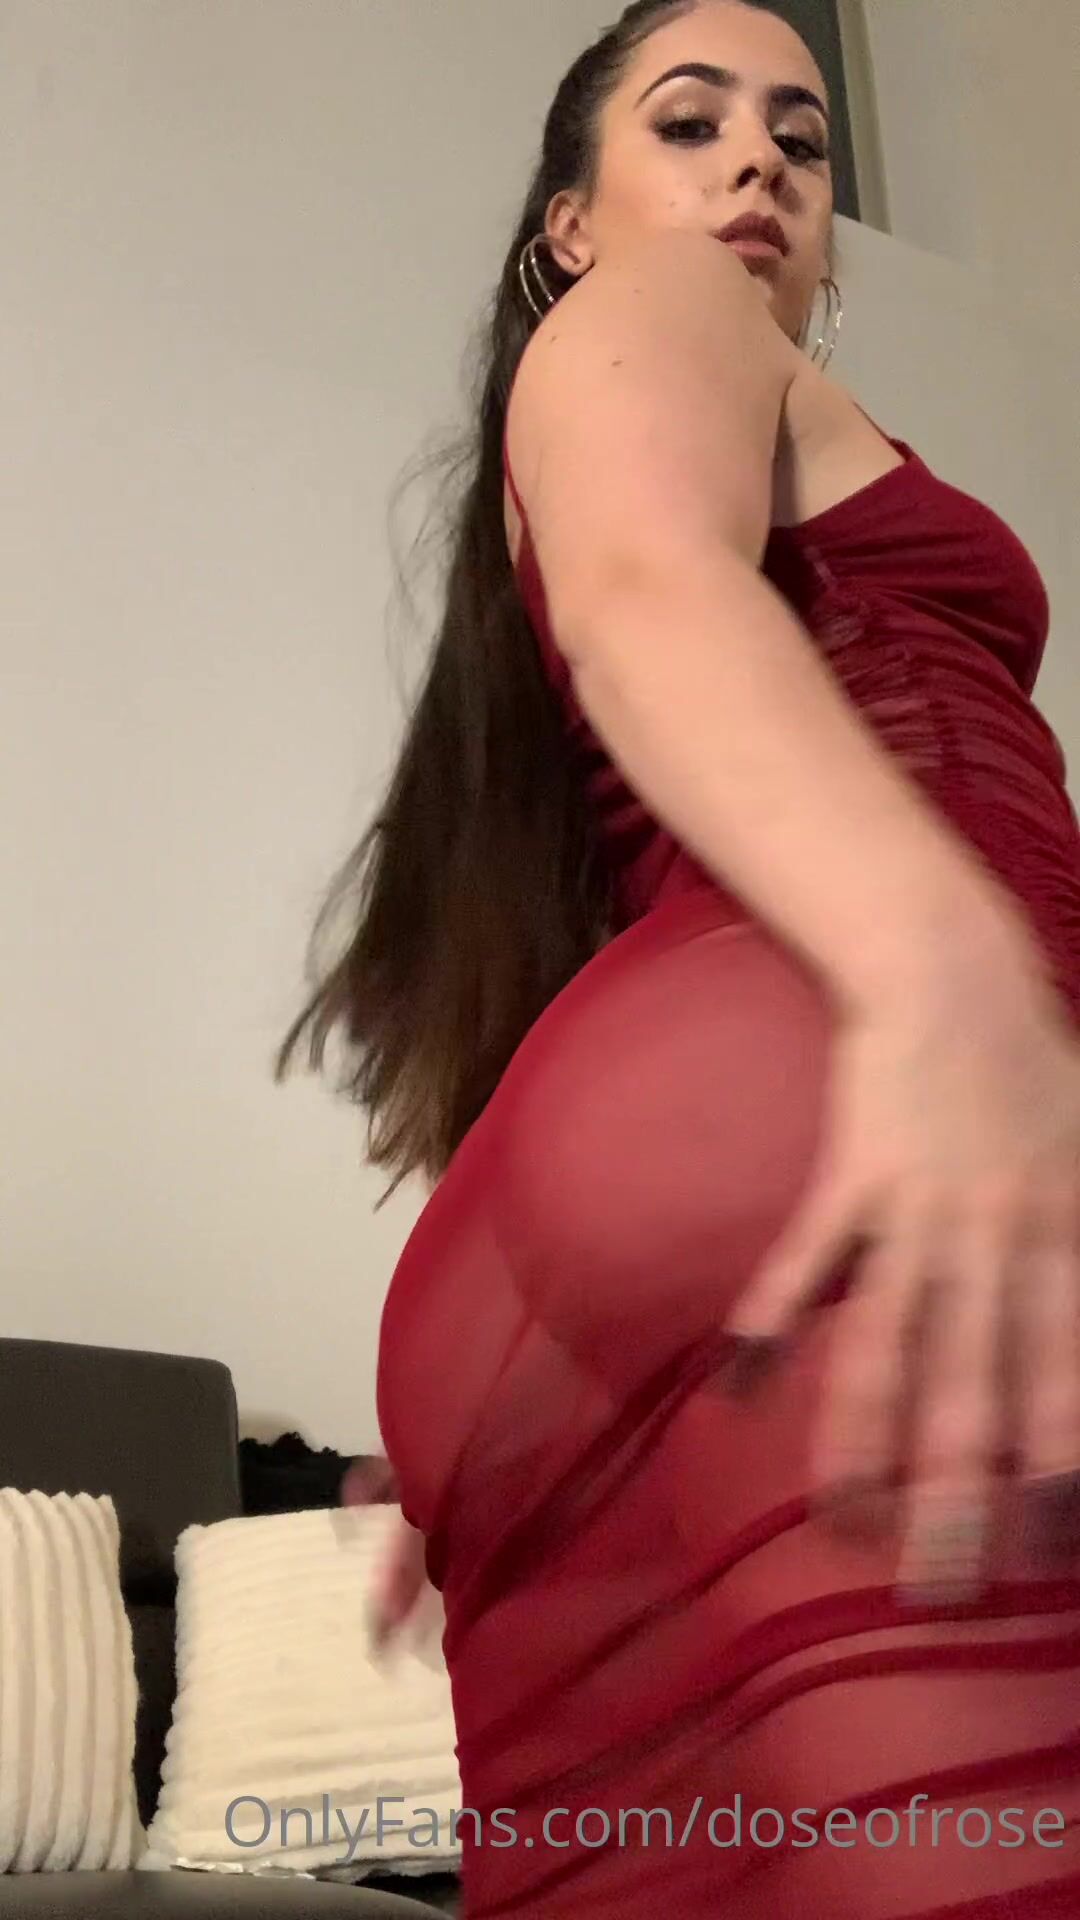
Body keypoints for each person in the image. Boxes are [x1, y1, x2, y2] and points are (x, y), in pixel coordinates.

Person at [275, 2, 1080, 1912]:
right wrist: (943, 971)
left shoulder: (632, 424)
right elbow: (651, 588)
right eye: (691, 122)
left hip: (604, 1202)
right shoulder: (666, 308)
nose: (759, 168)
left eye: (803, 140)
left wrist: (546, 1402)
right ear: (571, 223)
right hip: (842, 1045)